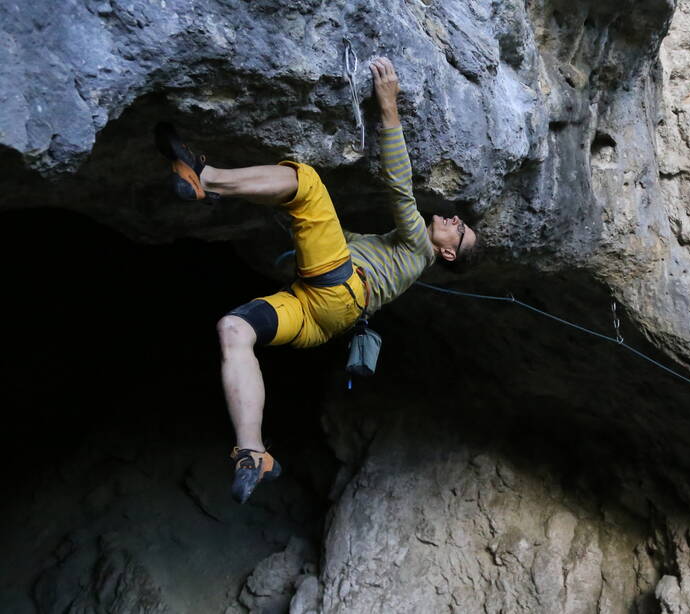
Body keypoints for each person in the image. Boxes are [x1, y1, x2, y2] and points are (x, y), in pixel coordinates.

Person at [154, 57, 477, 503]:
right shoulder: (389, 251)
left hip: (336, 292)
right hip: (318, 318)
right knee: (234, 329)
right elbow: (327, 236)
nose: (456, 219)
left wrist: (388, 106)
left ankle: (205, 177)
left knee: (307, 183)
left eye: (460, 231)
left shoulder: (418, 248)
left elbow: (399, 187)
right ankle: (252, 453)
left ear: (445, 252)